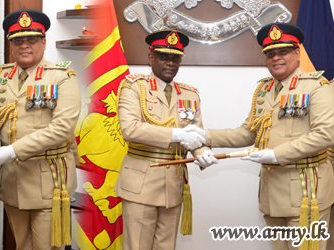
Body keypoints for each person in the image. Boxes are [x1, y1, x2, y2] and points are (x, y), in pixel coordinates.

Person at [189, 23, 334, 250]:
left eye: (283, 52)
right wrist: (205, 136)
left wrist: (277, 154)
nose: (276, 58)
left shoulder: (317, 86)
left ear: (297, 53)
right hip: (271, 194)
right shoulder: (264, 90)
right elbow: (248, 132)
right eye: (270, 54)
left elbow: (326, 134)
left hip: (307, 193)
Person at [0, 9, 81, 250]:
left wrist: (12, 150)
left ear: (44, 42)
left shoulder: (62, 77)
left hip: (49, 180)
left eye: (31, 40)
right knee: (22, 245)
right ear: (11, 44)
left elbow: (61, 128)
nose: (24, 46)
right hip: (13, 181)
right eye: (18, 41)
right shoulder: (2, 77)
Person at [114, 29, 218, 250]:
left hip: (174, 184)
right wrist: (176, 135)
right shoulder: (134, 87)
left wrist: (203, 153)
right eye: (164, 57)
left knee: (166, 247)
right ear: (151, 57)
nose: (170, 63)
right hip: (141, 183)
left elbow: (196, 136)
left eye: (175, 58)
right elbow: (130, 130)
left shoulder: (190, 95)